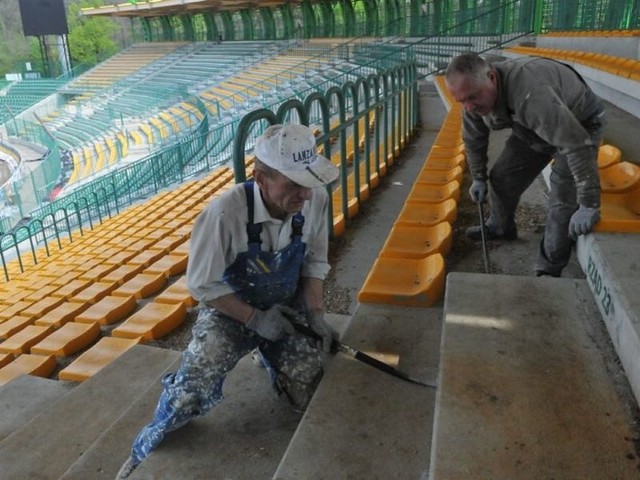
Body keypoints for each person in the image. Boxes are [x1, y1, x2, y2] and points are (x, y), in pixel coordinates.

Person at [116, 123, 340, 478]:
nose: (306, 195)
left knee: (308, 382)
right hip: (230, 311)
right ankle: (149, 444)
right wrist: (253, 319)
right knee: (196, 382)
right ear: (261, 178)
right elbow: (203, 285)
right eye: (294, 184)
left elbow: (314, 261)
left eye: (310, 182)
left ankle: (271, 360)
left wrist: (313, 312)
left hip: (285, 308)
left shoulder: (316, 200)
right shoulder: (223, 214)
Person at [444, 53, 606, 277]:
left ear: (491, 77)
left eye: (472, 97)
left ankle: (550, 267)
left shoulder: (531, 93)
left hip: (579, 125)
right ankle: (501, 227)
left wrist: (589, 204)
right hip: (533, 128)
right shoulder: (471, 98)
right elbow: (473, 138)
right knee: (501, 177)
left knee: (561, 198)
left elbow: (576, 145)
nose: (469, 107)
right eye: (462, 101)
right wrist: (479, 177)